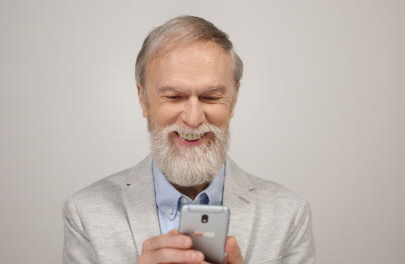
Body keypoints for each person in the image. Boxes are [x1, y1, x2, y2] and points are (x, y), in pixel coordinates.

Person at [63, 15, 315, 264]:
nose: (193, 119)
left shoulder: (289, 213)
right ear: (143, 100)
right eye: (173, 97)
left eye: (211, 97)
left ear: (234, 99)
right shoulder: (85, 212)